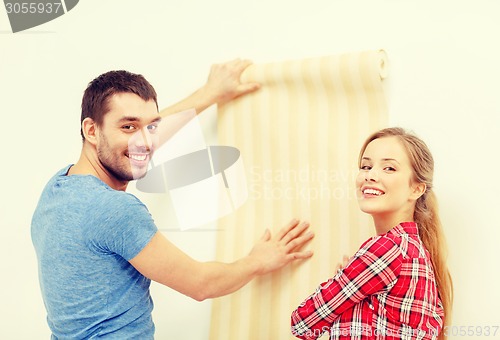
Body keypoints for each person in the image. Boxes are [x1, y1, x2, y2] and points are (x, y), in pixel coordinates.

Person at [31, 59, 314, 339]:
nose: (143, 141)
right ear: (91, 130)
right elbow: (201, 284)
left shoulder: (58, 187)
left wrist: (209, 94)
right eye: (128, 127)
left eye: (150, 126)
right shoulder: (113, 209)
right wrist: (257, 261)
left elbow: (141, 137)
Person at [291, 127, 453, 339]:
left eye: (389, 168)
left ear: (416, 189)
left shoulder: (387, 249)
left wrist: (345, 281)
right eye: (366, 166)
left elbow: (302, 323)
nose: (371, 175)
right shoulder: (416, 253)